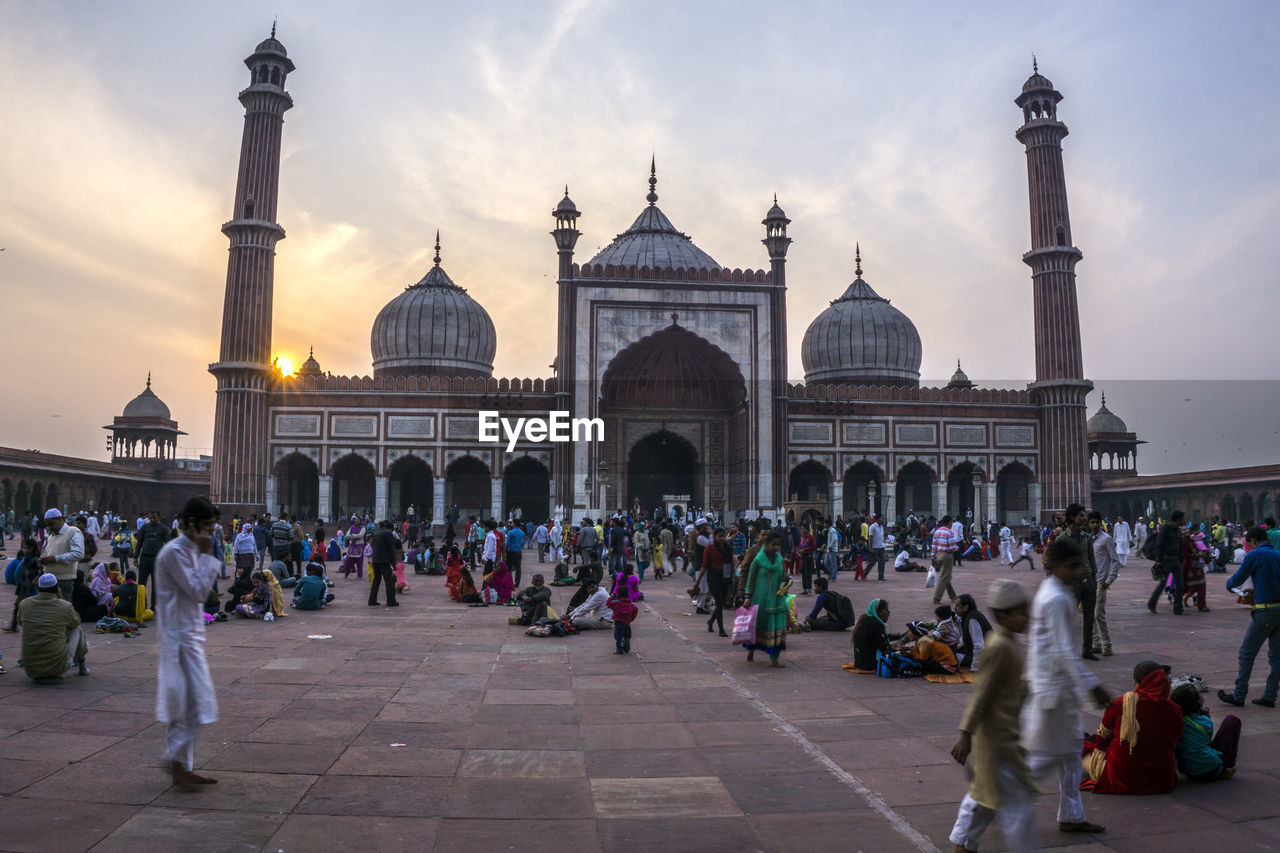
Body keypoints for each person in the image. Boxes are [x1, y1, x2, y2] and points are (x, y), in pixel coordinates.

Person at [1023, 537, 1110, 836]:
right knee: (1043, 760)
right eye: (1072, 566)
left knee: (1071, 755)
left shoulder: (1053, 591)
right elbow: (1063, 652)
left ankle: (1071, 815)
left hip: (1056, 689)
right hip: (1054, 691)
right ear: (1056, 566)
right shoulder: (1057, 598)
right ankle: (993, 801)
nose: (1077, 572)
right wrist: (1093, 685)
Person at [949, 579, 1036, 853]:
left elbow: (1002, 687)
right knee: (1012, 804)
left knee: (986, 799)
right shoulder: (999, 646)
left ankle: (964, 844)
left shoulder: (1009, 643)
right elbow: (981, 694)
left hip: (1005, 735)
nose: (1027, 618)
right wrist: (965, 734)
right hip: (996, 739)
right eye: (1021, 612)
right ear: (1002, 615)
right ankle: (965, 843)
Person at [153, 497, 222, 789]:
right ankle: (176, 762)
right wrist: (208, 558)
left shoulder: (191, 549)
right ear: (189, 524)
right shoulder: (174, 553)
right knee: (195, 703)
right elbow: (197, 592)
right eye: (206, 527)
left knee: (191, 704)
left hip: (189, 635)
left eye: (212, 528)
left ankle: (181, 766)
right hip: (178, 637)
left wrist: (204, 554)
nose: (210, 534)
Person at [1081, 660, 1182, 795]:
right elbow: (1177, 738)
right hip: (1161, 780)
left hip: (1122, 777)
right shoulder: (1174, 708)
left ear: (1138, 683)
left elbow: (1101, 741)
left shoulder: (1121, 703)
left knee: (1084, 752)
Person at [1219, 526, 1280, 708]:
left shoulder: (1254, 555)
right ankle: (1270, 695)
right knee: (1276, 656)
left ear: (1253, 541)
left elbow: (1236, 580)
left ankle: (1239, 695)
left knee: (1247, 653)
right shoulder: (1277, 554)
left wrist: (1230, 585)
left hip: (1264, 611)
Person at [17, 573, 90, 683]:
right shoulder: (64, 606)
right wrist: (61, 599)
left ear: (38, 588)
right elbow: (76, 621)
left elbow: (20, 623)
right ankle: (82, 665)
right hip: (57, 667)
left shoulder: (24, 604)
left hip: (30, 669)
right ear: (57, 588)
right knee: (77, 630)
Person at [1171, 683, 1240, 781]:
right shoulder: (1203, 720)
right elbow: (1207, 739)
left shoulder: (1174, 721)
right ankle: (1227, 765)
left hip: (1187, 770)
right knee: (1232, 720)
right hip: (1211, 768)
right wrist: (1207, 716)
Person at [1058, 504, 1099, 660]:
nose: (1084, 518)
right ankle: (1066, 650)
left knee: (1089, 618)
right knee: (1069, 617)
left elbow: (1091, 558)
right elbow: (1058, 562)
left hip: (1088, 580)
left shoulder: (1086, 537)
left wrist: (1094, 578)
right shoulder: (1063, 538)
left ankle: (1086, 650)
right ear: (1073, 518)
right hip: (1072, 583)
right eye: (1081, 515)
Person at [742, 532, 788, 666]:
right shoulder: (758, 560)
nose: (776, 547)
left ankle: (775, 659)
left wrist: (785, 583)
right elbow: (750, 580)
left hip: (777, 599)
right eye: (773, 544)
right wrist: (747, 598)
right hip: (760, 600)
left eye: (778, 545)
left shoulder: (779, 559)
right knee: (758, 627)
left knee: (777, 628)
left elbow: (782, 576)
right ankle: (751, 649)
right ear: (767, 544)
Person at [1088, 511, 1120, 657]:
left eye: (1097, 522)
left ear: (1101, 523)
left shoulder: (1106, 539)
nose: (1094, 525)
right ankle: (1096, 644)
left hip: (1102, 581)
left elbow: (1115, 560)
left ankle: (1107, 645)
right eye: (1092, 522)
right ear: (1088, 523)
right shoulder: (1087, 539)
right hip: (1089, 581)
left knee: (1098, 613)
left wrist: (1109, 579)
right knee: (1090, 614)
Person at [38, 508, 84, 601]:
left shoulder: (73, 532)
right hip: (48, 581)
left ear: (60, 519)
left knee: (62, 610)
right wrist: (44, 559)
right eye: (48, 525)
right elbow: (49, 553)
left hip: (64, 580)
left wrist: (55, 559)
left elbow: (78, 554)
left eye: (51, 524)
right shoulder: (51, 536)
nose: (50, 528)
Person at [1147, 510, 1187, 615]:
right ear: (1178, 519)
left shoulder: (1178, 531)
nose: (1184, 520)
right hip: (1166, 560)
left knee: (1180, 585)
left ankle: (1178, 608)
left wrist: (1181, 560)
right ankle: (1151, 604)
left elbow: (1179, 547)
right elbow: (1159, 544)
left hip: (1176, 560)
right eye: (1183, 518)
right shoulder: (1166, 528)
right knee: (1163, 583)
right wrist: (1158, 560)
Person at [697, 527, 734, 637]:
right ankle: (721, 629)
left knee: (721, 603)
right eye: (719, 536)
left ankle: (711, 621)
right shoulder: (710, 548)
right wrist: (697, 582)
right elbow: (704, 565)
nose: (722, 538)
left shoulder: (728, 547)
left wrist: (734, 574)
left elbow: (731, 562)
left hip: (725, 578)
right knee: (719, 601)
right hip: (713, 577)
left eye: (723, 536)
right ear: (715, 537)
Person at [5, 538, 41, 632]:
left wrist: (36, 579)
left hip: (30, 587)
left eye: (25, 548)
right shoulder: (26, 558)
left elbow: (41, 570)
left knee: (31, 607)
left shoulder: (34, 559)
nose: (23, 550)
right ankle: (14, 625)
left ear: (31, 549)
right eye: (23, 547)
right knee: (17, 605)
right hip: (23, 586)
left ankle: (35, 626)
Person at [851, 599, 896, 670]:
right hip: (870, 665)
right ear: (877, 612)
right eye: (885, 610)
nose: (888, 613)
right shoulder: (877, 625)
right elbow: (885, 649)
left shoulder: (865, 619)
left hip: (859, 663)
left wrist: (900, 636)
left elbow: (880, 638)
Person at [954, 593, 990, 671]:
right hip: (978, 655)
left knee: (944, 657)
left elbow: (979, 645)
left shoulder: (972, 620)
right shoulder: (970, 616)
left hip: (983, 658)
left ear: (965, 607)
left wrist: (975, 667)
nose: (954, 608)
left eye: (957, 605)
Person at [368, 520, 400, 608]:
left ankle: (372, 600)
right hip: (384, 560)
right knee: (389, 582)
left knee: (376, 581)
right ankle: (391, 601)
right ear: (391, 528)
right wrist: (394, 564)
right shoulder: (388, 534)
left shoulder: (377, 533)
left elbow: (373, 545)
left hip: (375, 560)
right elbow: (391, 550)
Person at [931, 517, 958, 604]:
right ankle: (937, 597)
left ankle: (953, 596)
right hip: (947, 555)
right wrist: (957, 548)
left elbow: (934, 546)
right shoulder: (949, 532)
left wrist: (932, 557)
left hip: (939, 555)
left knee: (946, 576)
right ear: (949, 523)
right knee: (944, 577)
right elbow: (951, 547)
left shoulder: (937, 531)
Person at [607, 583, 638, 654]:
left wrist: (611, 597)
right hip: (627, 623)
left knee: (618, 637)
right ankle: (627, 648)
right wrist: (631, 619)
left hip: (618, 623)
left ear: (618, 594)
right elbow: (635, 610)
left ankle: (620, 650)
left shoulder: (616, 604)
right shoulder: (631, 605)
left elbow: (608, 604)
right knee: (627, 636)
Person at [505, 521, 525, 588]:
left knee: (509, 568)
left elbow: (508, 543)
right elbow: (523, 542)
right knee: (518, 568)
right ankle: (517, 583)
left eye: (512, 523)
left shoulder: (511, 532)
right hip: (519, 551)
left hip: (511, 551)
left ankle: (509, 582)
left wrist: (506, 550)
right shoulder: (522, 533)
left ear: (514, 524)